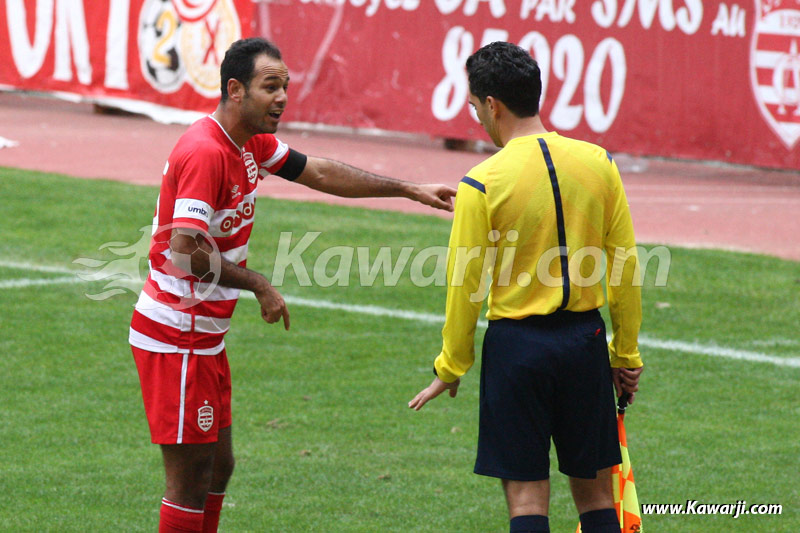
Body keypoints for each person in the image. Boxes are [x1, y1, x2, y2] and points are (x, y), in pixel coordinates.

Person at [129, 37, 456, 533]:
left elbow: (319, 172)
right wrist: (257, 283)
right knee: (190, 481)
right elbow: (184, 249)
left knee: (219, 468)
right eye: (270, 86)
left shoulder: (251, 142)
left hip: (204, 337)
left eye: (285, 86)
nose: (282, 97)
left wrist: (408, 188)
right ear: (235, 90)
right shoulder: (205, 151)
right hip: (176, 336)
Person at [408, 41, 644, 533]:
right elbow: (624, 266)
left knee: (526, 500)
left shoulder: (481, 182)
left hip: (517, 351)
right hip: (585, 343)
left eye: (475, 107)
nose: (477, 117)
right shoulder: (599, 163)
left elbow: (465, 286)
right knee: (597, 496)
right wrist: (625, 354)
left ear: (492, 104)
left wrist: (451, 366)